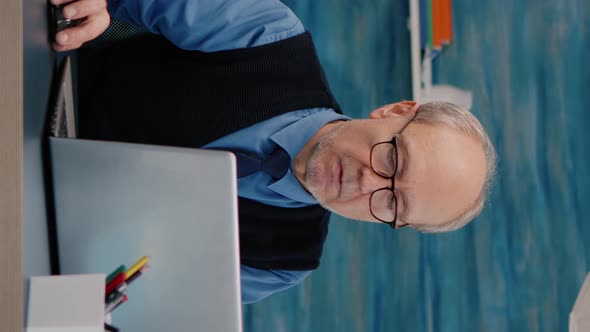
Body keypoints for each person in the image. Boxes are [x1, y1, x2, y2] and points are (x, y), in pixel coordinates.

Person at [51, 0, 497, 303]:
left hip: (45, 236)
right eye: (393, 160)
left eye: (393, 202)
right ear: (394, 111)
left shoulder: (283, 262)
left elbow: (141, 301)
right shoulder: (268, 38)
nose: (367, 182)